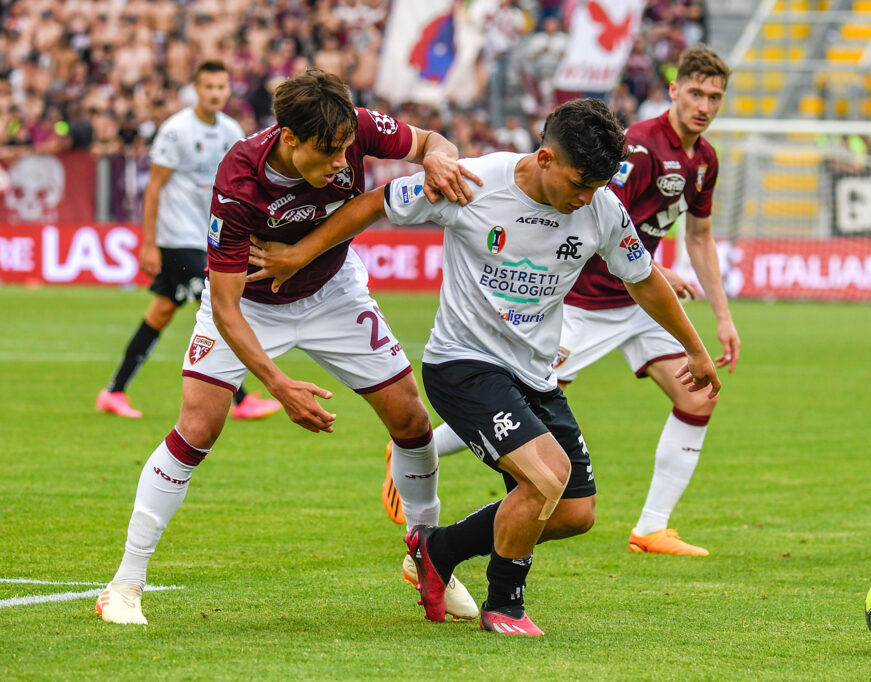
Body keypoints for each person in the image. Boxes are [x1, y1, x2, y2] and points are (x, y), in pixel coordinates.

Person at [245, 98, 721, 634]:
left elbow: (644, 279)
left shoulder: (601, 208)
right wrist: (298, 254)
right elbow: (376, 202)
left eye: (597, 185)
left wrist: (696, 348)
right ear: (544, 158)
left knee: (574, 513)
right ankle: (505, 605)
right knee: (547, 479)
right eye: (580, 182)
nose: (586, 197)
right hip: (463, 365)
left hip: (533, 374)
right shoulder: (473, 183)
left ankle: (438, 550)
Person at [95, 69, 483, 625]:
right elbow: (225, 307)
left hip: (333, 292)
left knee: (412, 419)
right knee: (197, 429)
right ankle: (125, 584)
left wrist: (440, 155)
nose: (339, 165)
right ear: (289, 138)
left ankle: (426, 556)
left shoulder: (353, 128)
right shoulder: (240, 178)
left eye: (346, 152)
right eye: (327, 155)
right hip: (250, 303)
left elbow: (427, 143)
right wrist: (278, 385)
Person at [389, 46, 740, 557]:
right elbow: (587, 218)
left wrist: (717, 324)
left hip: (633, 304)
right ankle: (417, 453)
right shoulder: (633, 149)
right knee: (528, 432)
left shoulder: (703, 160)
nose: (704, 105)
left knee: (696, 398)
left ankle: (652, 526)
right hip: (582, 305)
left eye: (715, 96)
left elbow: (693, 239)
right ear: (674, 90)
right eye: (696, 92)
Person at [96, 60, 282, 421]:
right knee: (221, 306)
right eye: (208, 86)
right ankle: (241, 400)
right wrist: (150, 244)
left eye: (221, 87)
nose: (215, 93)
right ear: (196, 89)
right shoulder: (176, 130)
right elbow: (154, 188)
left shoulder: (230, 131)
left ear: (228, 90)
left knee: (162, 312)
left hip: (207, 236)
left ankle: (114, 391)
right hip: (176, 238)